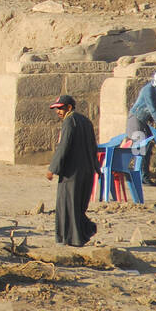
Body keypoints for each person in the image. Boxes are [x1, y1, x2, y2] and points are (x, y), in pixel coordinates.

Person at [47, 94, 100, 247]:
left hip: (71, 173)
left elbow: (63, 146)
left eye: (60, 108)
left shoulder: (69, 121)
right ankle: (78, 238)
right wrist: (96, 167)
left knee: (67, 205)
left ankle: (69, 237)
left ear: (69, 108)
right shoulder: (86, 121)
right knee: (77, 206)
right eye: (56, 109)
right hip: (87, 171)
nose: (58, 112)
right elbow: (93, 147)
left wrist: (53, 169)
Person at [128, 68, 156, 184]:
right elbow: (153, 110)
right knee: (142, 148)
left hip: (144, 121)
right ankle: (141, 177)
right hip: (136, 119)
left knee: (148, 148)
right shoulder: (148, 90)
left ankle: (144, 176)